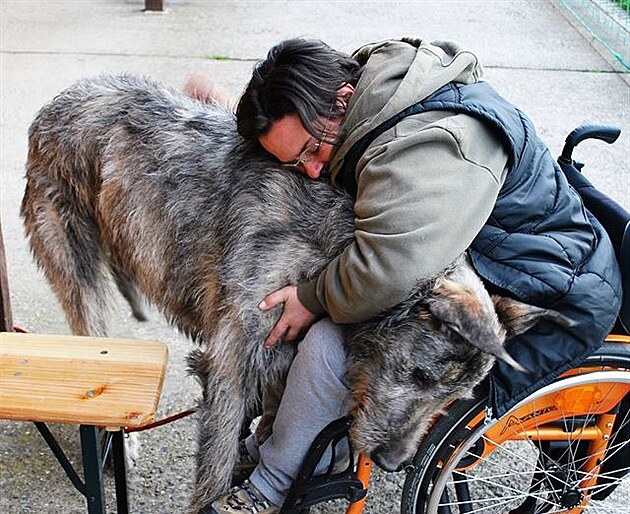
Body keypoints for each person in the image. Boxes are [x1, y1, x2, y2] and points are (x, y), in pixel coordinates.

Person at [198, 38, 622, 514]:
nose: (313, 171)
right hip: (494, 263)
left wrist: (312, 297)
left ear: (340, 97)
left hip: (544, 294)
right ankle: (297, 448)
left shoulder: (434, 145)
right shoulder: (376, 99)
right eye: (297, 163)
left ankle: (273, 487)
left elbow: (391, 267)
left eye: (313, 151)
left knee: (331, 345)